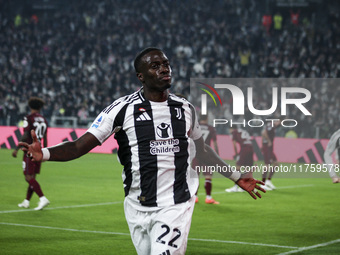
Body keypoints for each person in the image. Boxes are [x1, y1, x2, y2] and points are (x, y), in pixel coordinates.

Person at [19, 48, 265, 255]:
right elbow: (80, 145)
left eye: (166, 64)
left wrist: (235, 177)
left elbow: (202, 150)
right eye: (155, 65)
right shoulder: (121, 109)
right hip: (137, 205)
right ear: (141, 76)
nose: (164, 69)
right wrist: (45, 154)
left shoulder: (185, 109)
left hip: (176, 203)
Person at [12, 97, 50, 210]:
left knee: (28, 177)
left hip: (29, 150)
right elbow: (45, 137)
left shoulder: (28, 118)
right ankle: (26, 201)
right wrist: (45, 152)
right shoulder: (44, 119)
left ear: (30, 106)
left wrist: (16, 148)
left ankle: (43, 198)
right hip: (40, 150)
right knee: (33, 177)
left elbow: (25, 135)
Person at [193, 114, 220, 204]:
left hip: (196, 153)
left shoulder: (195, 126)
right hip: (206, 154)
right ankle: (208, 197)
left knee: (195, 176)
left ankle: (195, 197)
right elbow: (215, 143)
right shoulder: (210, 128)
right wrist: (217, 154)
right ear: (207, 118)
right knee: (208, 176)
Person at [225, 127, 254, 193]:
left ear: (231, 128)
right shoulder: (242, 130)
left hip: (244, 148)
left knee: (238, 166)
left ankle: (235, 186)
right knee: (247, 167)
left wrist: (236, 154)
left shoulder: (234, 132)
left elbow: (234, 144)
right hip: (251, 147)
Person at [261, 119, 281, 190]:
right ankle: (262, 183)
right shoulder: (271, 125)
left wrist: (261, 144)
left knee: (276, 164)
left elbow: (263, 133)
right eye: (280, 122)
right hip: (267, 147)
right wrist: (269, 141)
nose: (280, 124)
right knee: (267, 165)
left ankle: (268, 180)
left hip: (269, 148)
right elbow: (264, 133)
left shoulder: (273, 126)